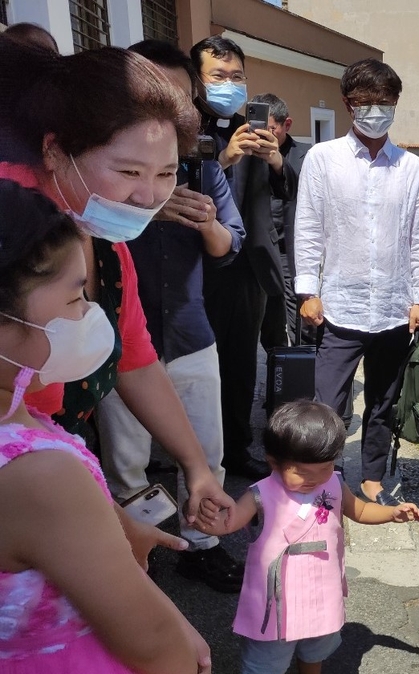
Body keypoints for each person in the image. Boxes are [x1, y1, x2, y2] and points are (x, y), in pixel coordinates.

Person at [0, 40, 235, 563]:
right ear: (55, 151)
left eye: (167, 173)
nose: (150, 196)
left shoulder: (102, 238)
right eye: (129, 172)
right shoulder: (10, 231)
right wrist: (97, 517)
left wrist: (196, 467)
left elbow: (135, 356)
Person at [0, 178, 211, 674]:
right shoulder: (39, 475)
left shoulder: (21, 409)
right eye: (75, 300)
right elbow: (154, 645)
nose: (90, 315)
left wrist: (114, 527)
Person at [92, 38, 247, 593]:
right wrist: (148, 213)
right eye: (151, 93)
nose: (167, 110)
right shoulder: (101, 168)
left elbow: (231, 246)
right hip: (115, 342)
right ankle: (138, 550)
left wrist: (205, 222)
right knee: (126, 460)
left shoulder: (203, 171)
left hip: (189, 335)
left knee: (206, 453)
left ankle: (202, 545)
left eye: (179, 96)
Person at [194, 399, 419, 674]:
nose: (315, 479)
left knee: (316, 649)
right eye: (302, 472)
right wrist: (206, 521)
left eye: (325, 467)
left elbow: (360, 510)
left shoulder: (335, 483)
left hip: (321, 591)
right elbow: (228, 523)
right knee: (266, 663)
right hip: (277, 599)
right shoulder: (260, 494)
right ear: (274, 463)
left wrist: (391, 513)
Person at [294, 58, 419, 506]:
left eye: (385, 102)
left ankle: (372, 476)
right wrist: (308, 290)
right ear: (348, 105)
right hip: (340, 307)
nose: (376, 111)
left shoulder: (411, 168)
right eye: (366, 103)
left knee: (383, 400)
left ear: (395, 104)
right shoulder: (323, 159)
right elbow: (309, 228)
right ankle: (326, 474)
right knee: (328, 403)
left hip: (394, 308)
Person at [190, 35, 294, 480]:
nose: (229, 84)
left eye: (237, 77)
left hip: (245, 272)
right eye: (218, 75)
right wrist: (225, 160)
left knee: (239, 367)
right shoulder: (184, 131)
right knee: (193, 367)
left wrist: (274, 162)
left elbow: (287, 192)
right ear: (198, 79)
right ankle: (188, 452)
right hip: (194, 271)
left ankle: (235, 448)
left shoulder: (250, 130)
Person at [252, 92, 311, 348]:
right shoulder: (245, 154)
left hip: (291, 254)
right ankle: (277, 375)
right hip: (259, 250)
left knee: (301, 324)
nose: (262, 136)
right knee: (270, 326)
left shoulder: (307, 156)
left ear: (287, 125)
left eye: (271, 129)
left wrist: (277, 161)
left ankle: (306, 374)